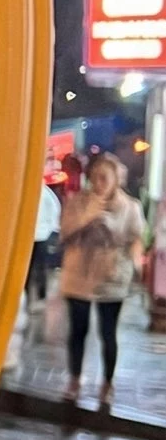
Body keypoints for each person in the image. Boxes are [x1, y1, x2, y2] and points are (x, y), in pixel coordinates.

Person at [58, 151, 145, 405]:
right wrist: (87, 218)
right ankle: (74, 379)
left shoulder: (130, 207)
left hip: (111, 276)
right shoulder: (78, 202)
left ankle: (107, 383)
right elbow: (64, 233)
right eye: (95, 177)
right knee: (78, 330)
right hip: (79, 274)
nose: (99, 183)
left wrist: (114, 231)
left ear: (116, 179)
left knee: (108, 332)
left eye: (105, 177)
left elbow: (136, 238)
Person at [27, 178, 62, 306]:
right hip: (34, 236)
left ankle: (40, 294)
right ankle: (30, 295)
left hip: (41, 236)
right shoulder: (38, 192)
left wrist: (50, 229)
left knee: (38, 267)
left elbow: (54, 211)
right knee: (31, 267)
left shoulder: (45, 193)